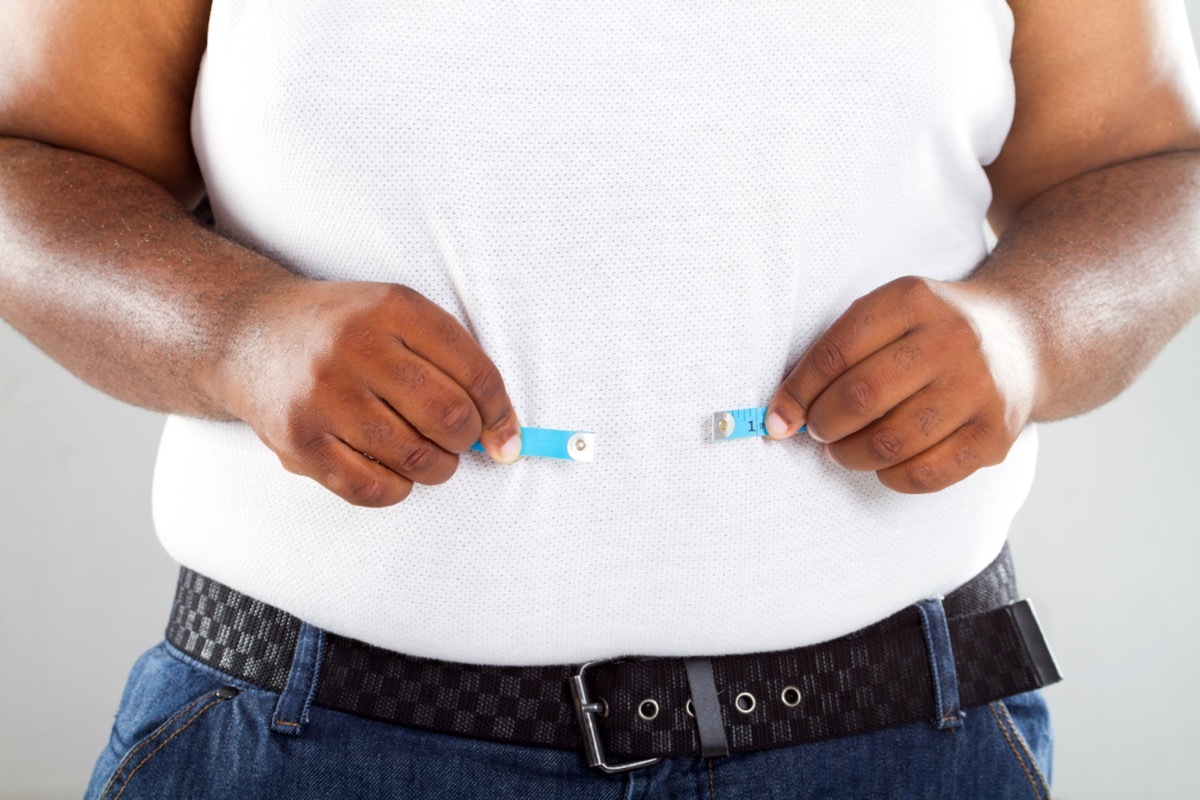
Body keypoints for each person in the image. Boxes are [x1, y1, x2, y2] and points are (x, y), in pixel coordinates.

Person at [2, 0, 1198, 796]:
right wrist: (234, 333)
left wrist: (1031, 330)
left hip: (896, 741)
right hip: (304, 742)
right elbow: (31, 159)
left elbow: (1154, 168)